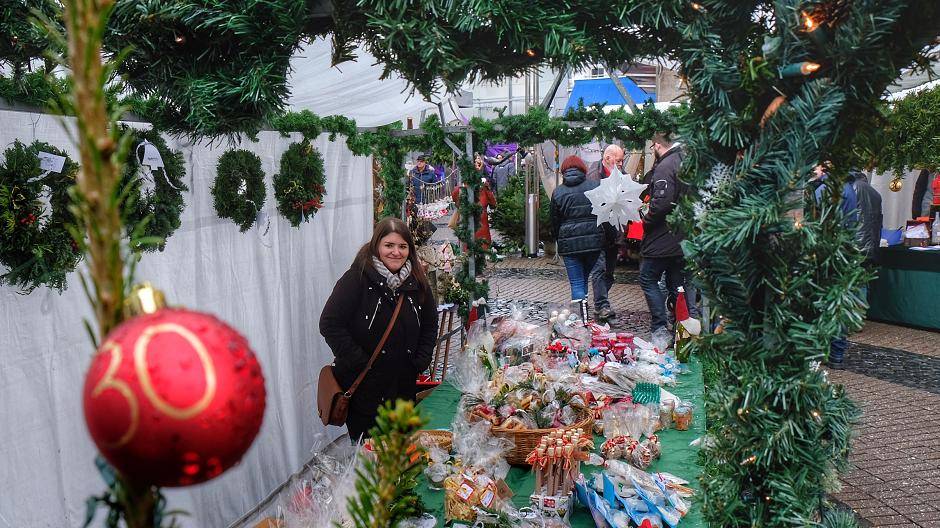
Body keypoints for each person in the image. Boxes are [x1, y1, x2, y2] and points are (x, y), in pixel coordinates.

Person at [319, 217, 439, 439]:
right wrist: (359, 360)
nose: (396, 252)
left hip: (402, 388)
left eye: (402, 246)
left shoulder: (416, 281)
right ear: (377, 246)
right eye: (389, 245)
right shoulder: (356, 278)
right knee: (370, 457)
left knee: (402, 455)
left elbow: (430, 324)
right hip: (366, 391)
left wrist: (421, 360)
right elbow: (329, 323)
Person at [815, 169, 883, 368]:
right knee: (852, 291)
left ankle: (828, 350)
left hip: (835, 251)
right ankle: (853, 325)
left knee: (829, 302)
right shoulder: (871, 192)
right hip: (858, 248)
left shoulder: (829, 189)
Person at [638, 132, 697, 339]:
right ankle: (684, 329)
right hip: (682, 237)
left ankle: (660, 327)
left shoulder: (665, 165)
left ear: (656, 145)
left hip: (662, 238)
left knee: (647, 277)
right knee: (677, 284)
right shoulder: (686, 161)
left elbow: (661, 203)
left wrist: (647, 219)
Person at [551, 155, 606, 308]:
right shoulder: (595, 186)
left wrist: (559, 240)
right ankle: (585, 312)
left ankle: (581, 319)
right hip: (593, 243)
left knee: (576, 283)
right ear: (583, 169)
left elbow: (555, 221)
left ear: (564, 171)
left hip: (569, 245)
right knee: (584, 278)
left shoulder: (558, 192)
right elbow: (604, 213)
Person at [587, 144, 625, 322]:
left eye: (622, 160)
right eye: (618, 160)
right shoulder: (594, 175)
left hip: (614, 232)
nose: (621, 164)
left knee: (609, 273)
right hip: (598, 231)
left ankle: (601, 304)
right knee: (600, 270)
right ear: (607, 158)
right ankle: (602, 305)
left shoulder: (622, 175)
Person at [451, 154, 497, 250]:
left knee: (469, 243)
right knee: (481, 242)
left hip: (468, 216)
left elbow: (456, 198)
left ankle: (469, 254)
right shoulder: (483, 186)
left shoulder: (462, 187)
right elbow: (493, 202)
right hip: (480, 216)